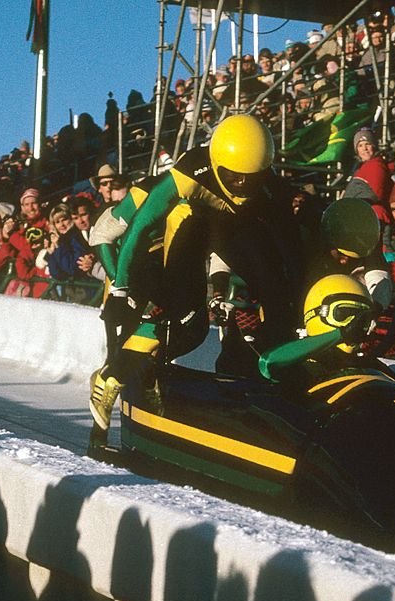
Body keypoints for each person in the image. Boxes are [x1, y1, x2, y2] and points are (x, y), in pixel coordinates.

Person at [88, 114, 304, 446]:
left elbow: (281, 249)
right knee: (180, 324)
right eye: (234, 178)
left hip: (207, 233)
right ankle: (111, 377)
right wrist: (120, 285)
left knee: (270, 293)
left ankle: (274, 372)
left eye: (251, 178)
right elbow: (110, 233)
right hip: (144, 251)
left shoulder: (264, 187)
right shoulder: (168, 186)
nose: (242, 187)